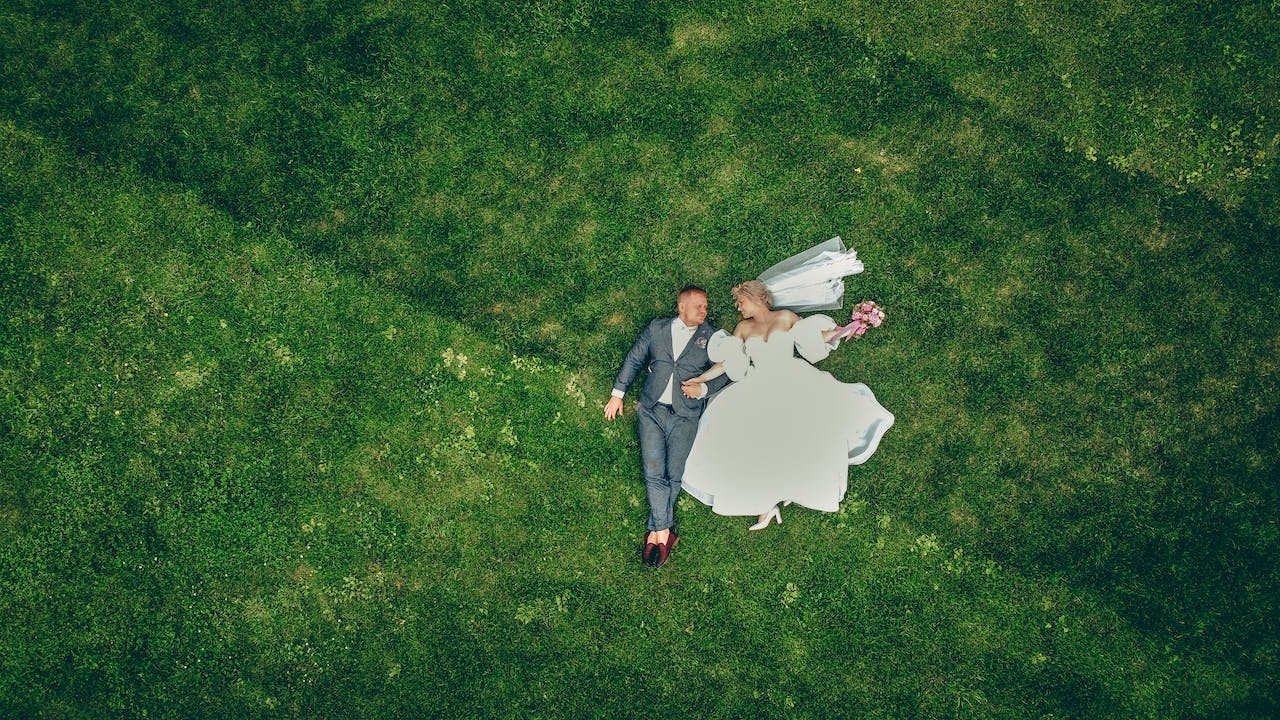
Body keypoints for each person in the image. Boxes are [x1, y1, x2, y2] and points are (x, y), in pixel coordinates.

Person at [678, 280, 894, 530]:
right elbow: (727, 363)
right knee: (760, 443)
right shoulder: (743, 328)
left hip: (793, 378)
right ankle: (766, 505)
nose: (738, 307)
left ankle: (794, 488)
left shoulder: (785, 317)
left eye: (741, 301)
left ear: (756, 297)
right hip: (758, 384)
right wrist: (702, 378)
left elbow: (814, 338)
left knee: (802, 434)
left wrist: (847, 328)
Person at [604, 286, 731, 568]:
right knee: (653, 474)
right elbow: (635, 358)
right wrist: (617, 393)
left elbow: (727, 371)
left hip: (686, 415)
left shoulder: (711, 337)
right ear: (681, 306)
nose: (704, 310)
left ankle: (657, 532)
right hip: (651, 411)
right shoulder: (657, 328)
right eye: (698, 306)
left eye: (706, 306)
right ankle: (663, 532)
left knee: (674, 476)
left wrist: (704, 388)